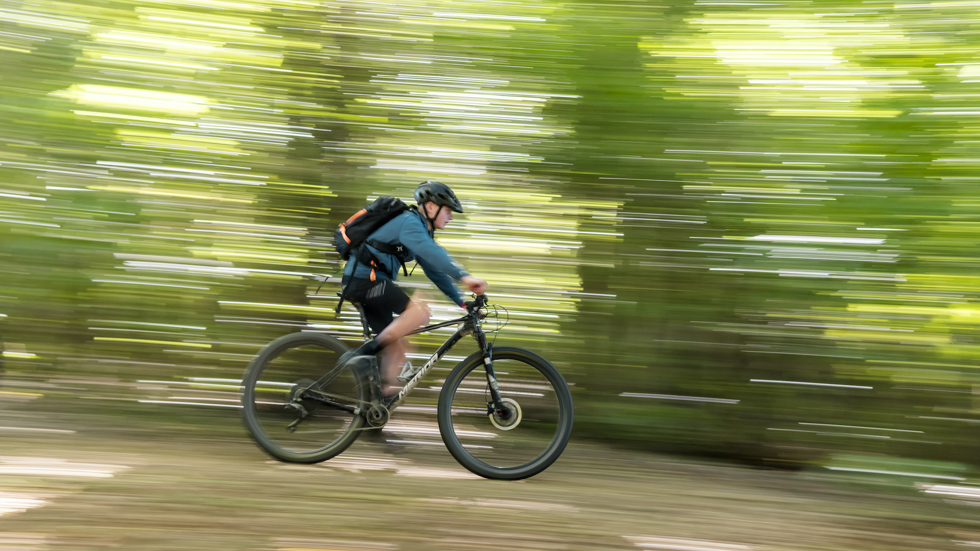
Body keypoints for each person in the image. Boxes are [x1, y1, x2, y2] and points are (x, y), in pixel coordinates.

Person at [339, 180, 487, 402]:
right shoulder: (409, 222)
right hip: (364, 281)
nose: (451, 216)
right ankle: (359, 356)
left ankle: (377, 406)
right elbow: (433, 252)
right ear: (430, 207)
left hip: (374, 284)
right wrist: (465, 277)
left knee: (398, 347)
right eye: (447, 210)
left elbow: (435, 270)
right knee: (420, 311)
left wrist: (462, 303)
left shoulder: (421, 232)